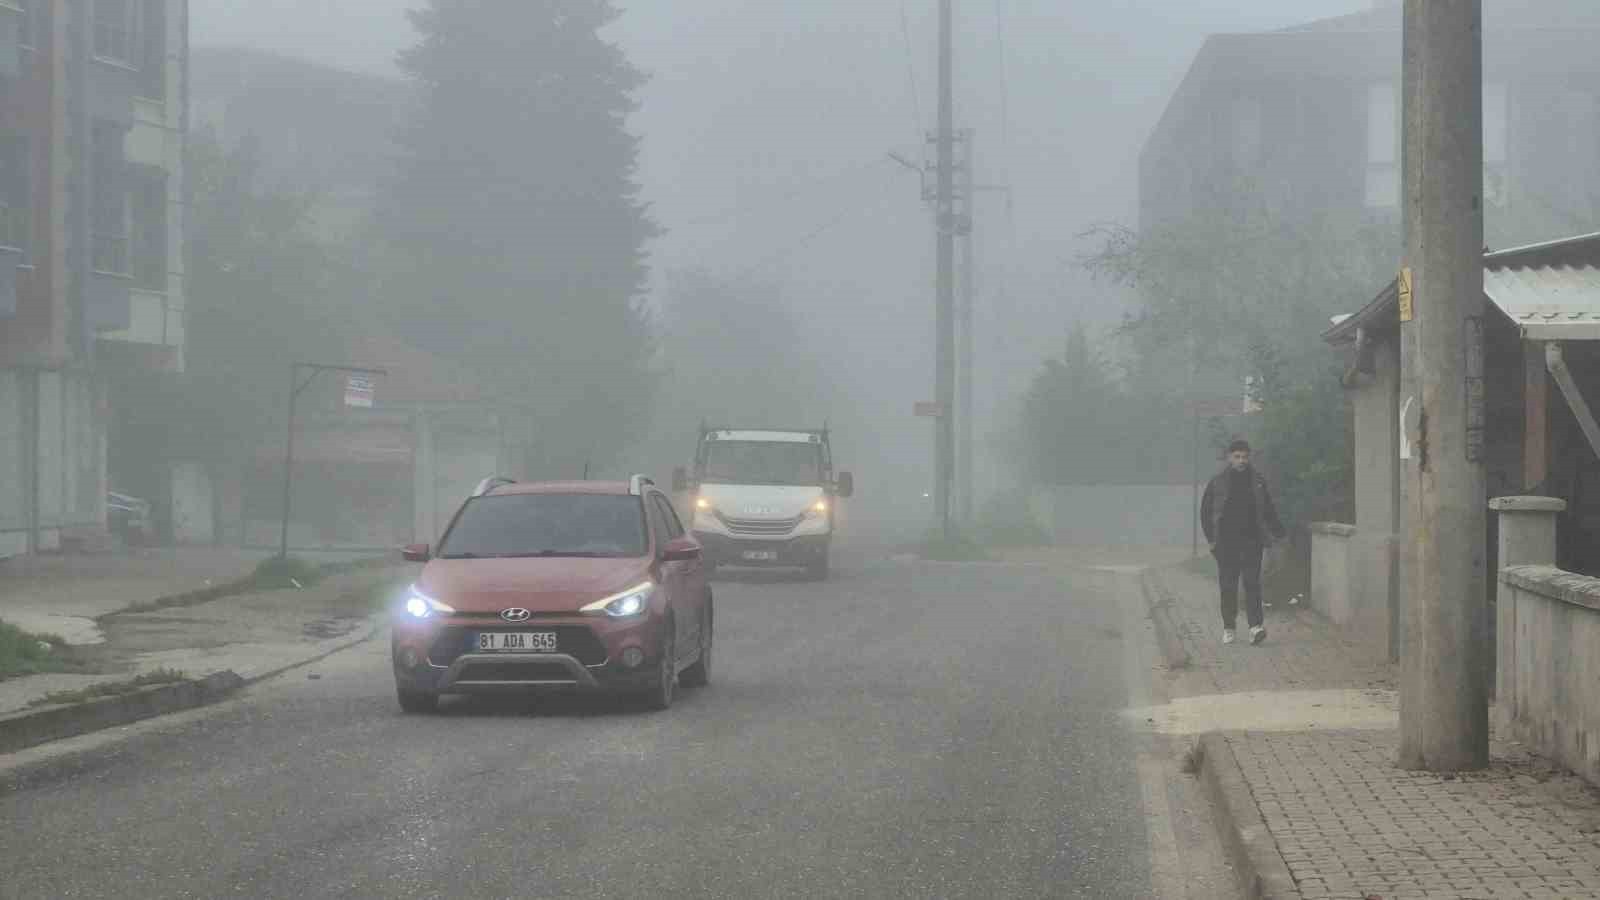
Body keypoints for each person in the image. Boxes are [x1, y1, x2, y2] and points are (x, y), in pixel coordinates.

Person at [1199, 439, 1286, 646]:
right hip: (1225, 543)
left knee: (1252, 584)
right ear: (1230, 457)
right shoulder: (1217, 482)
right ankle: (1229, 627)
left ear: (1249, 458)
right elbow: (1205, 512)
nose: (1241, 461)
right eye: (1237, 457)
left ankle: (1255, 627)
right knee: (1228, 586)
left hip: (1252, 541)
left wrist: (1279, 533)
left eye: (1245, 457)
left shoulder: (1257, 481)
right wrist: (1211, 540)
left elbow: (1268, 510)